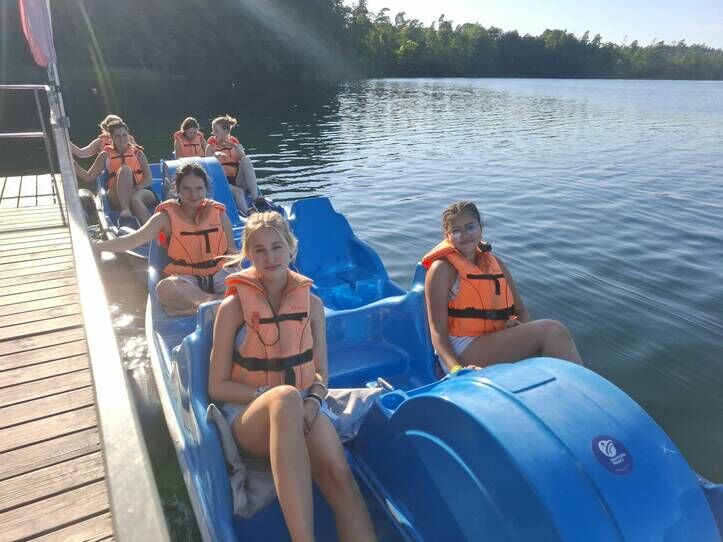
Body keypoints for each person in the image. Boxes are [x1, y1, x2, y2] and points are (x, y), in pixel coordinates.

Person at [209, 211, 376, 542]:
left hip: (302, 406)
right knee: (284, 397)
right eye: (259, 250)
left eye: (277, 247)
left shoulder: (312, 304)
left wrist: (312, 402)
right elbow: (217, 386)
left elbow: (321, 372)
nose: (270, 257)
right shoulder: (232, 309)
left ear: (291, 249)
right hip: (249, 417)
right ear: (248, 255)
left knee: (338, 473)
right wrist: (267, 396)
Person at [423, 201, 583, 374]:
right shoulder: (442, 269)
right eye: (456, 231)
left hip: (492, 339)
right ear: (447, 235)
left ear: (480, 228)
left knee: (551, 339)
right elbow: (437, 332)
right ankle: (579, 387)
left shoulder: (496, 264)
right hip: (461, 350)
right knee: (552, 331)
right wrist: (456, 369)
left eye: (470, 227)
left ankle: (569, 385)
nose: (465, 235)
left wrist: (518, 326)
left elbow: (521, 312)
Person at [93, 162, 237, 315]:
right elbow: (134, 240)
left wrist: (238, 275)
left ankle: (195, 308)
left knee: (246, 281)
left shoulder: (219, 213)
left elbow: (232, 253)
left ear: (206, 189)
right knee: (164, 289)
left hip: (219, 274)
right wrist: (98, 247)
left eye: (199, 188)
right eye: (186, 189)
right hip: (187, 280)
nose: (193, 195)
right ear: (178, 190)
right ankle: (216, 302)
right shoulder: (165, 217)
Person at [74, 120, 155, 223]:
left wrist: (136, 188)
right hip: (116, 196)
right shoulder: (105, 155)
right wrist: (75, 166)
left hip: (140, 191)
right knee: (125, 170)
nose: (122, 139)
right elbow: (88, 176)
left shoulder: (138, 153)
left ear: (128, 135)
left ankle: (151, 231)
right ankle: (125, 209)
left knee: (135, 199)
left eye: (124, 135)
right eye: (117, 136)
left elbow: (148, 179)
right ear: (111, 138)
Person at [205, 114, 259, 214]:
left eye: (216, 130)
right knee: (239, 192)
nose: (213, 133)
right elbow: (207, 168)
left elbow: (244, 161)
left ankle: (256, 198)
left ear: (226, 131)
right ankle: (247, 213)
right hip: (222, 183)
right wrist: (214, 156)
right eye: (213, 130)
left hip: (237, 180)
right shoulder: (210, 147)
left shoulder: (235, 144)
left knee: (246, 160)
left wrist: (236, 147)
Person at [70, 114, 137, 158]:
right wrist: (66, 141)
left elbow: (138, 154)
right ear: (107, 127)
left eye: (119, 124)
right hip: (108, 173)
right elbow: (81, 153)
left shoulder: (129, 139)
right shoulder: (100, 142)